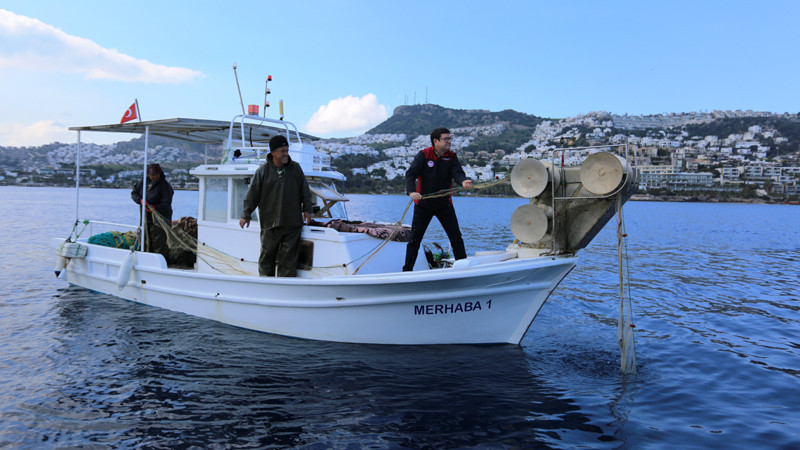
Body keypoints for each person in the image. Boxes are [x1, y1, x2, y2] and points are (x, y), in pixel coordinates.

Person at [239, 134, 313, 277]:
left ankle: (285, 290)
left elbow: (305, 191)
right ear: (273, 152)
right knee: (267, 258)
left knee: (288, 261)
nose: (286, 154)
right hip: (270, 224)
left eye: (287, 150)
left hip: (292, 224)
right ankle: (266, 287)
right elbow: (252, 195)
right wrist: (245, 215)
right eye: (282, 151)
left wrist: (307, 210)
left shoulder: (296, 169)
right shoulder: (262, 172)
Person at [403, 127, 473, 271]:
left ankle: (463, 268)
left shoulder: (451, 156)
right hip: (423, 205)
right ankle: (407, 271)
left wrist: (464, 181)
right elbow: (410, 174)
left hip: (444, 205)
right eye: (446, 139)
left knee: (456, 238)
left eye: (450, 138)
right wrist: (411, 192)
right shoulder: (424, 155)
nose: (449, 141)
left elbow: (458, 173)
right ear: (435, 141)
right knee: (415, 240)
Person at [131, 163, 174, 260]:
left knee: (158, 243)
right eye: (151, 175)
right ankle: (145, 261)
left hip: (159, 221)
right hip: (145, 219)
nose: (153, 177)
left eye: (155, 175)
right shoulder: (143, 183)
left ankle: (159, 264)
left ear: (159, 174)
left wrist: (154, 208)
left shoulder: (165, 186)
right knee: (145, 241)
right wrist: (141, 201)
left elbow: (166, 203)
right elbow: (134, 193)